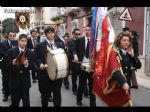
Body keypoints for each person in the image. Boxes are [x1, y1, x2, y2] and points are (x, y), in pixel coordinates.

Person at [94, 32, 141, 106]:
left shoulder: (128, 53)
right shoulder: (115, 52)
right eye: (124, 40)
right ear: (119, 41)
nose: (126, 42)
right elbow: (115, 69)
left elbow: (138, 66)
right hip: (118, 86)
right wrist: (123, 83)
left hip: (126, 85)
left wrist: (132, 55)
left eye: (128, 41)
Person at [35, 26, 64, 107]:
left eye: (52, 32)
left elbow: (64, 57)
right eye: (49, 33)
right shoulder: (40, 45)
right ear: (45, 34)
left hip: (57, 74)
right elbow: (36, 58)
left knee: (57, 94)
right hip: (45, 74)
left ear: (54, 33)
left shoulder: (60, 44)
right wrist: (40, 64)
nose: (51, 34)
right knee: (45, 96)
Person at [8, 34, 34, 107]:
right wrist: (12, 63)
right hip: (14, 82)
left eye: (25, 41)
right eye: (22, 41)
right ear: (18, 41)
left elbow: (32, 66)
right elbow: (7, 66)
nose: (24, 43)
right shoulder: (11, 51)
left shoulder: (30, 52)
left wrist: (26, 65)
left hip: (25, 83)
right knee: (15, 103)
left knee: (26, 103)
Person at [74, 26, 96, 106]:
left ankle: (93, 104)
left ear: (91, 31)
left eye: (89, 30)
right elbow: (74, 50)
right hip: (82, 65)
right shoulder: (79, 40)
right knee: (82, 84)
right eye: (86, 30)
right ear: (84, 31)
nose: (87, 31)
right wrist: (75, 55)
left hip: (92, 66)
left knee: (92, 86)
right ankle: (79, 100)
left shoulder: (95, 41)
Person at [0, 31, 17, 102]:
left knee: (14, 80)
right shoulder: (2, 43)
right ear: (8, 36)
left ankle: (13, 94)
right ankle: (6, 95)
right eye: (11, 36)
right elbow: (1, 53)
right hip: (5, 65)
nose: (12, 37)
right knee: (6, 80)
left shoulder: (16, 43)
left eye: (13, 36)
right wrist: (11, 51)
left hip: (14, 65)